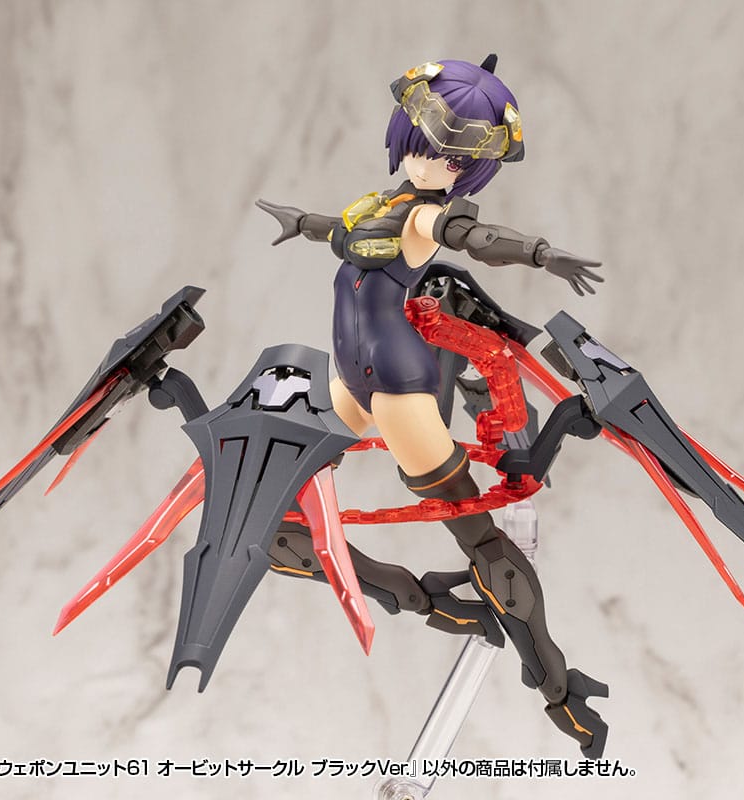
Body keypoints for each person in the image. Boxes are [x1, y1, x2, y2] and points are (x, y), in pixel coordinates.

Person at [258, 56, 608, 757]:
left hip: (398, 389)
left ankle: (557, 687)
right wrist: (303, 222)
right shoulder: (378, 206)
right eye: (425, 146)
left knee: (479, 538)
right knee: (263, 522)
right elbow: (342, 231)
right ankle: (427, 600)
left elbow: (474, 239)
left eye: (453, 161)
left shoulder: (427, 217)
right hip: (348, 382)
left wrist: (540, 254)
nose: (433, 165)